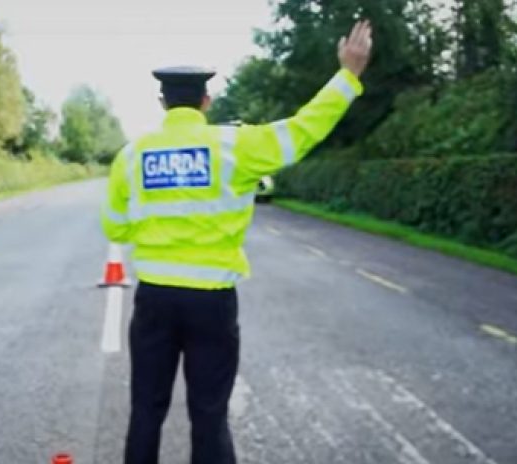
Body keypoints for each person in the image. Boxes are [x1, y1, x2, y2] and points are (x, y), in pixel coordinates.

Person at [101, 20, 373, 464]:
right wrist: (348, 76)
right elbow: (304, 129)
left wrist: (151, 229)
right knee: (209, 414)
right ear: (205, 101)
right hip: (211, 302)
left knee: (146, 410)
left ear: (162, 102)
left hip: (154, 301)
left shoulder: (132, 155)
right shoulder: (236, 146)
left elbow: (115, 228)